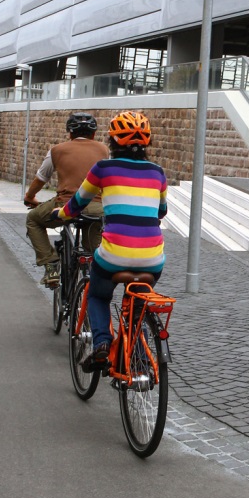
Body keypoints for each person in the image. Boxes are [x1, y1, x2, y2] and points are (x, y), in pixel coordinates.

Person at [58, 111, 167, 372]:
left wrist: (60, 214)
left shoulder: (103, 168)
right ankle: (138, 355)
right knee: (138, 303)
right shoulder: (158, 173)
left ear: (113, 141)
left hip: (113, 256)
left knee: (98, 295)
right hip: (152, 259)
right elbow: (161, 211)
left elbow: (78, 203)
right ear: (147, 142)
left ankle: (102, 345)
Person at [24, 113, 108, 286]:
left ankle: (51, 265)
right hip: (97, 207)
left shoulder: (57, 150)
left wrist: (30, 197)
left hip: (67, 206)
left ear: (69, 133)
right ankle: (92, 280)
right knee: (92, 250)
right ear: (93, 133)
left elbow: (41, 178)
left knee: (33, 220)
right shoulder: (104, 150)